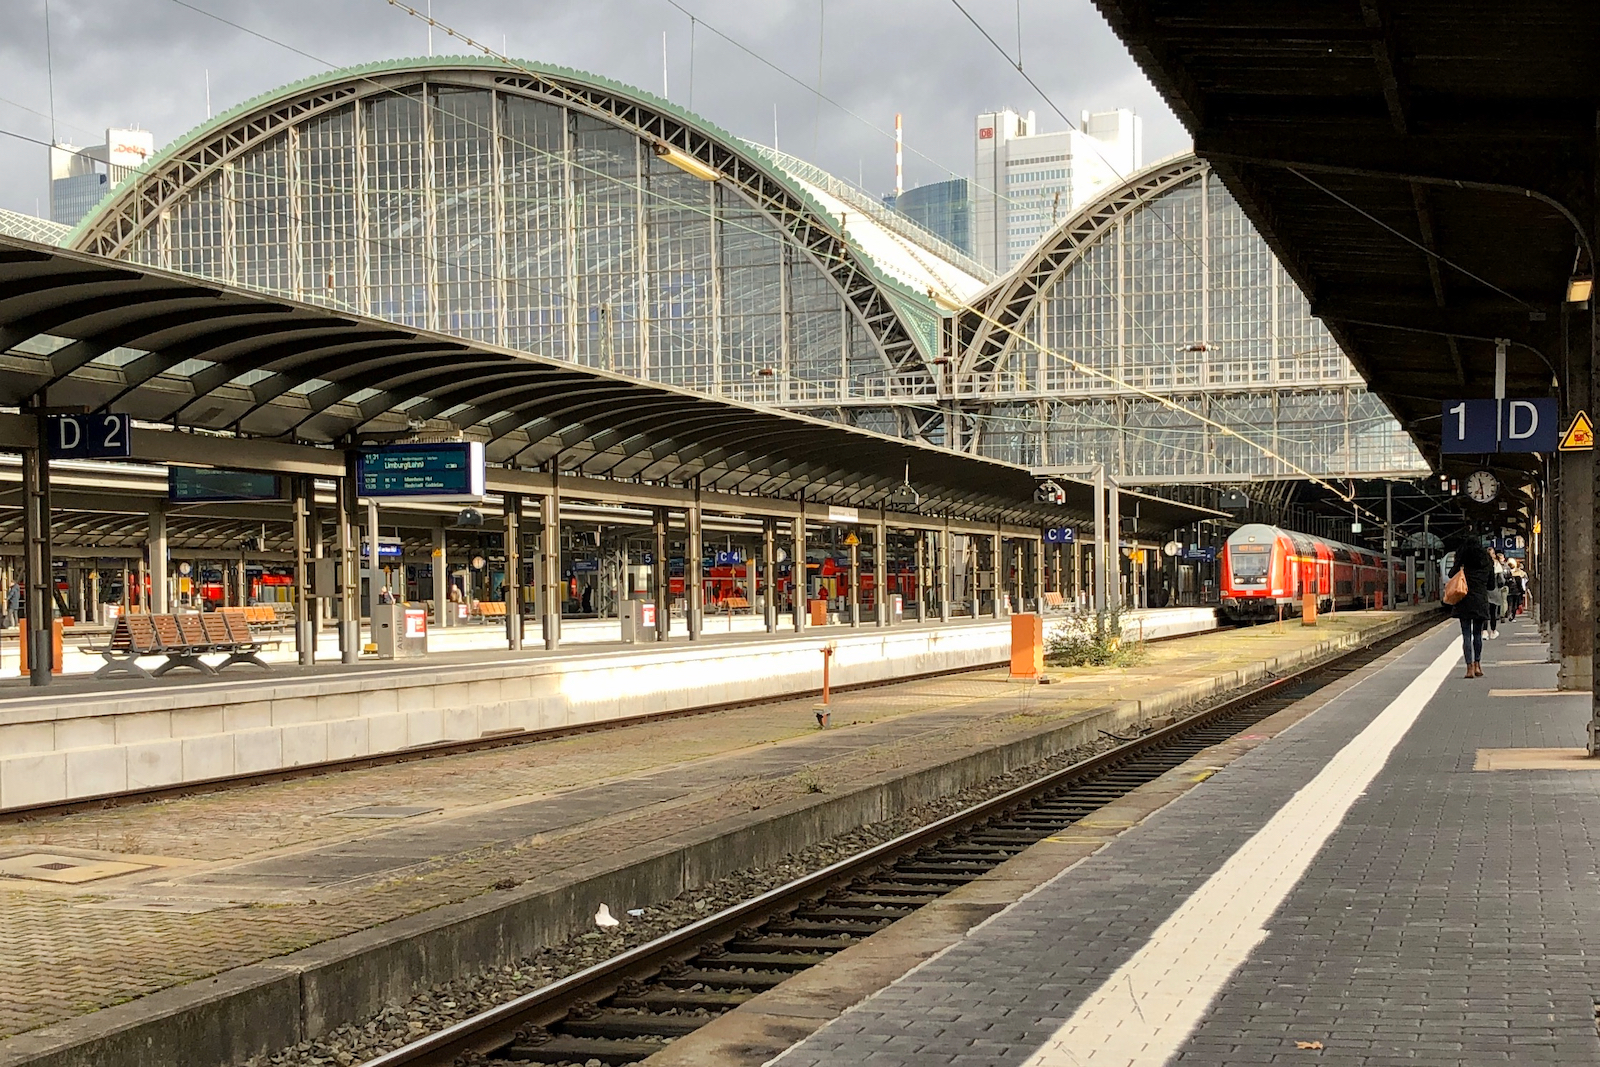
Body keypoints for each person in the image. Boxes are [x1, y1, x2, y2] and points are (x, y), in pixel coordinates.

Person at [1448, 536, 1494, 679]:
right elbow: (1492, 585)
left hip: (1464, 599)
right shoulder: (1487, 560)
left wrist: (1459, 565)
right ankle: (1478, 665)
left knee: (1466, 635)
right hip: (1480, 600)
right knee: (1477, 635)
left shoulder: (1463, 558)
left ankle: (1469, 669)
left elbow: (1451, 575)